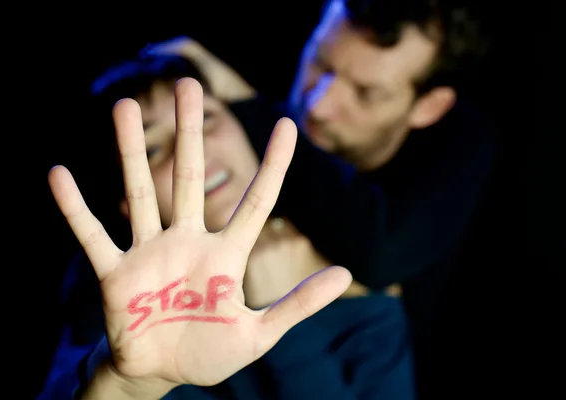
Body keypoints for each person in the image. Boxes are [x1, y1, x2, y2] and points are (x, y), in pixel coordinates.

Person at [145, 0, 497, 396]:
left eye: (366, 93)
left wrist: (251, 108)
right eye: (319, 62)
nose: (319, 104)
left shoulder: (458, 146)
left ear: (429, 107)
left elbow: (379, 256)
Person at [37, 54, 417, 399]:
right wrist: (124, 385)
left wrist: (291, 334)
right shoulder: (126, 311)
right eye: (152, 149)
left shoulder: (360, 295)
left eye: (207, 118)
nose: (196, 151)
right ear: (126, 198)